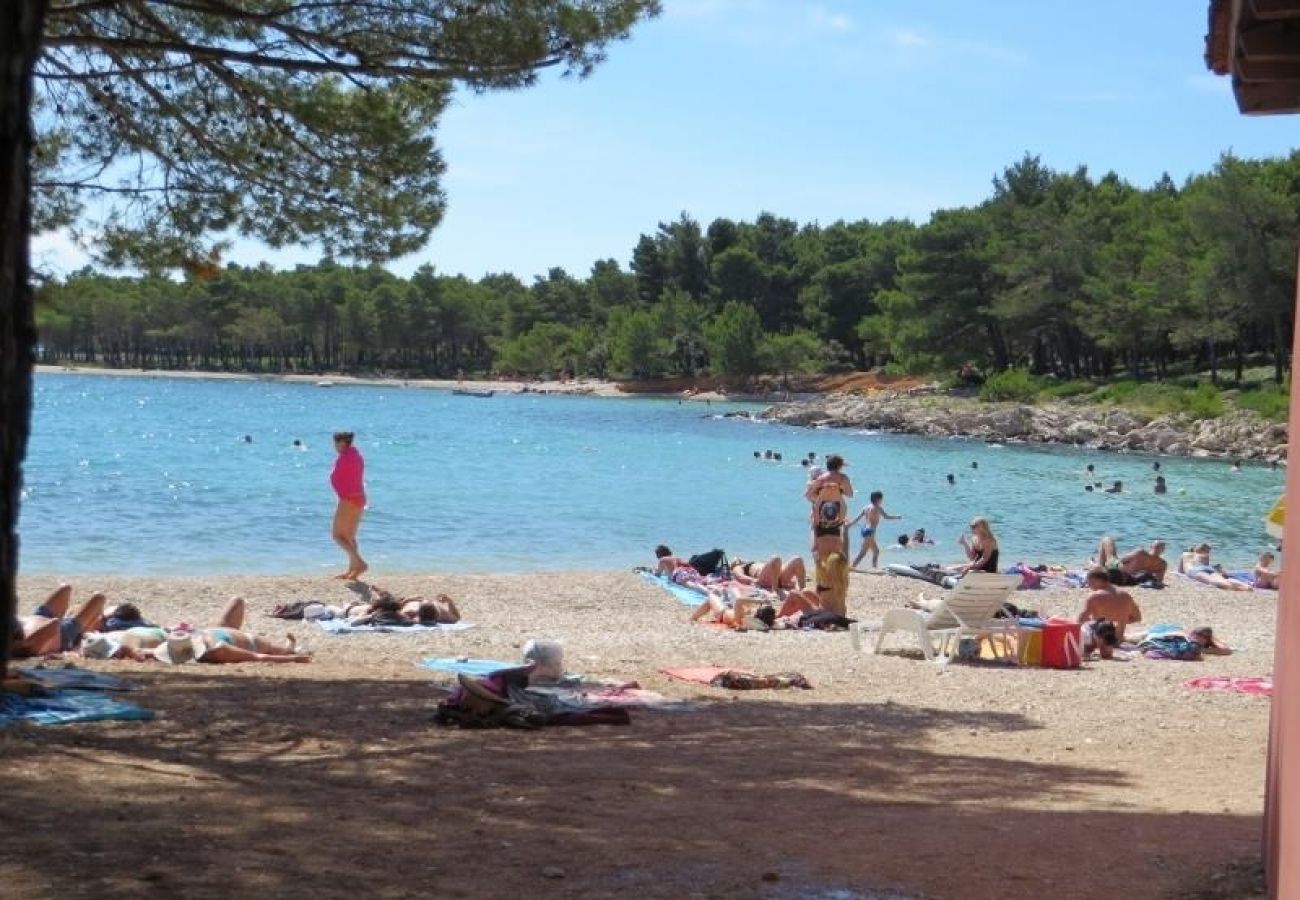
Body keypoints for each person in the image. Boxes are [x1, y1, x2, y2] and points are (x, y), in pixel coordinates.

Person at [84, 597, 310, 663]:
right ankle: (287, 650)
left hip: (202, 636)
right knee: (236, 608)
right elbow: (258, 657)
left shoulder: (120, 631)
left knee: (236, 604)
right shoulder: (124, 632)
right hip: (204, 637)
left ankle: (287, 650)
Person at [10, 585, 106, 658]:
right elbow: (54, 623)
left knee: (65, 587)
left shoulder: (18, 640)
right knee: (99, 597)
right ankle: (80, 635)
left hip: (38, 616)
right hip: (64, 632)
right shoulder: (28, 645)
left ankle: (85, 627)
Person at [1076, 567, 1143, 658]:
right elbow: (1137, 617)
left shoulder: (1094, 597)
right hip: (1117, 641)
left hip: (1100, 641)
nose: (1089, 586)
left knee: (1085, 625)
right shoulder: (1125, 595)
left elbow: (1080, 620)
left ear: (1097, 580)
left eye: (1090, 582)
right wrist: (1118, 624)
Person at [330, 431, 368, 580]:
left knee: (337, 535)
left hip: (348, 498)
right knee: (350, 536)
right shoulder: (356, 456)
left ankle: (359, 563)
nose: (334, 446)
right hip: (359, 497)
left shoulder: (345, 457)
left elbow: (338, 477)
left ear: (341, 443)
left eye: (335, 443)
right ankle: (353, 571)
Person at [849, 490, 901, 570]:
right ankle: (852, 567)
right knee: (863, 552)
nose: (882, 501)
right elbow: (886, 517)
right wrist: (897, 517)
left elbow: (857, 519)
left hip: (865, 530)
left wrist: (849, 525)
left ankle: (874, 567)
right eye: (881, 499)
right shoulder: (878, 508)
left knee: (876, 551)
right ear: (878, 499)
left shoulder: (866, 508)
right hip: (870, 532)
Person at [1179, 543, 1253, 592]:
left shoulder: (1185, 554)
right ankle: (1245, 586)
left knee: (1212, 581)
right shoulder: (1204, 555)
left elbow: (1180, 571)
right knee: (1223, 579)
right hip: (1208, 569)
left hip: (1194, 570)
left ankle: (1235, 587)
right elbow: (1206, 566)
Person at [729, 556, 808, 591]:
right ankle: (775, 591)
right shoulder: (738, 567)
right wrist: (754, 581)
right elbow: (740, 576)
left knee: (798, 559)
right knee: (776, 559)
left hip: (778, 577)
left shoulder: (752, 563)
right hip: (767, 580)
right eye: (735, 560)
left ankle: (803, 590)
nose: (737, 559)